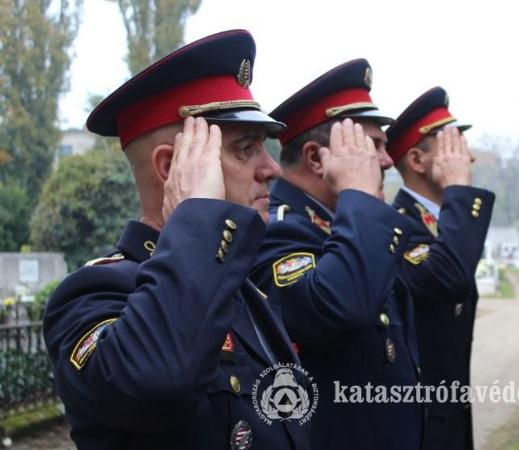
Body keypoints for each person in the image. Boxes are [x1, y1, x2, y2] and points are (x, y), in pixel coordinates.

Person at [43, 30, 310, 450]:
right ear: (171, 167)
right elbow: (157, 380)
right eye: (244, 149)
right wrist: (198, 216)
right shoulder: (92, 295)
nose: (271, 168)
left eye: (264, 148)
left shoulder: (239, 288)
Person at [250, 59, 422, 450]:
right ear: (316, 159)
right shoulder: (277, 230)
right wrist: (358, 195)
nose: (387, 159)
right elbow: (336, 310)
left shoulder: (346, 223)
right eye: (372, 146)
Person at [386, 87, 495, 450]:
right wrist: (459, 190)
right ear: (417, 161)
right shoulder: (396, 226)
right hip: (418, 422)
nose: (468, 159)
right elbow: (448, 278)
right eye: (451, 146)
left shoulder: (440, 224)